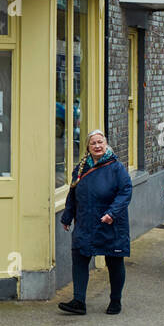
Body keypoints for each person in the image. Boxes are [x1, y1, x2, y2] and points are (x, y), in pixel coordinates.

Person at [59, 129, 132, 316]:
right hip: (86, 221)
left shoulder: (117, 168)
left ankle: (115, 301)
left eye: (101, 142)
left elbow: (125, 192)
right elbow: (72, 194)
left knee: (114, 261)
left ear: (106, 144)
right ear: (88, 147)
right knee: (80, 257)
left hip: (110, 222)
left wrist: (112, 213)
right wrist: (67, 217)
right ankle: (78, 301)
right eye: (94, 143)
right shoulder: (81, 168)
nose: (98, 146)